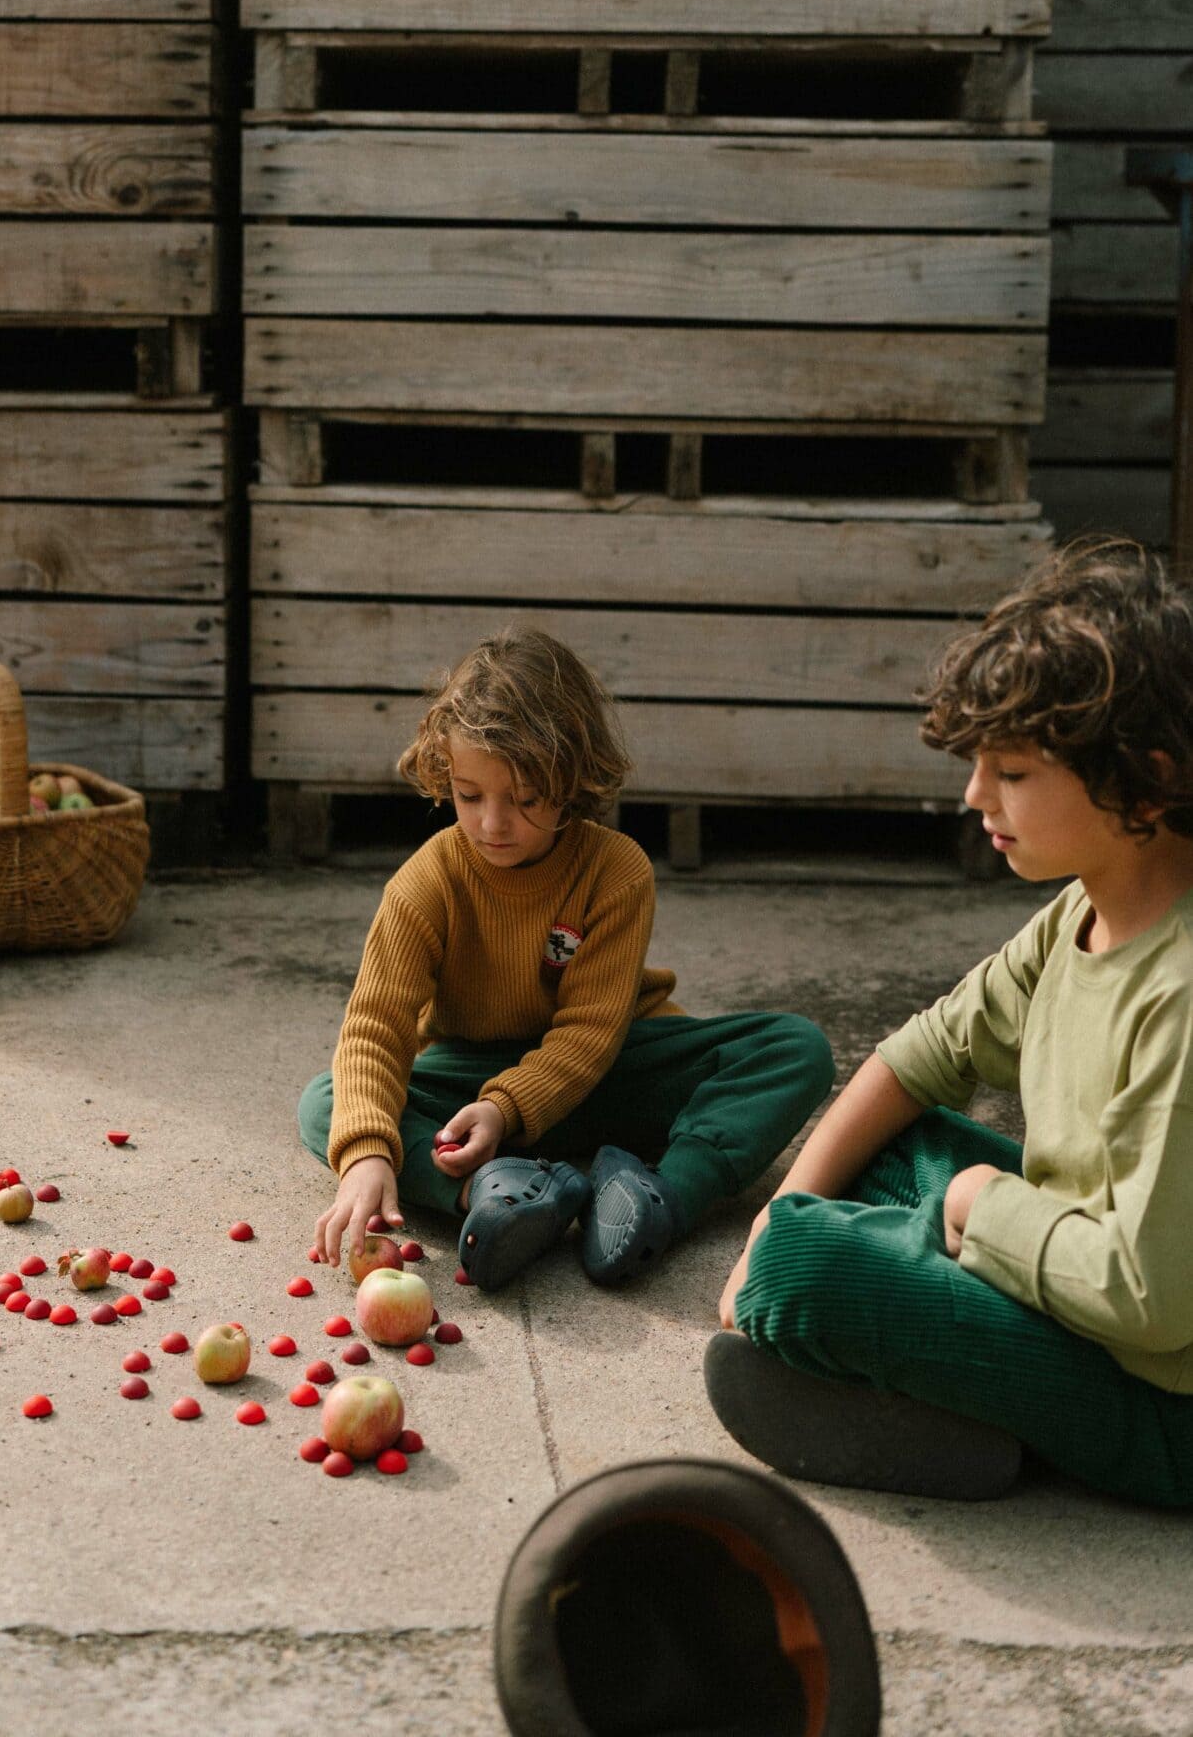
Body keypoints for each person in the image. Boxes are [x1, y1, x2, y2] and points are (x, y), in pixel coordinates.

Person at [707, 535, 1193, 1507]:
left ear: (1143, 779)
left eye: (1011, 771)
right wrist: (770, 1215)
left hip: (1159, 1397)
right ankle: (938, 1352)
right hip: (1084, 1271)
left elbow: (1150, 1298)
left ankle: (950, 1381)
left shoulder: (1180, 991)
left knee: (811, 1263)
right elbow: (918, 1056)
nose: (975, 795)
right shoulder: (1082, 913)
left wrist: (975, 1206)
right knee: (893, 1141)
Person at [298, 630, 834, 1288]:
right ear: (446, 774)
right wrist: (365, 1158)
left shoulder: (615, 870)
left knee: (792, 1048)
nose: (493, 824)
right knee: (331, 1103)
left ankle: (657, 1199)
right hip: (474, 1076)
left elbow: (588, 1033)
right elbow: (374, 1029)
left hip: (613, 1066)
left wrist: (506, 1110)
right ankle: (492, 1195)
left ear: (572, 779)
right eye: (470, 795)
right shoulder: (425, 882)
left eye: (524, 800)